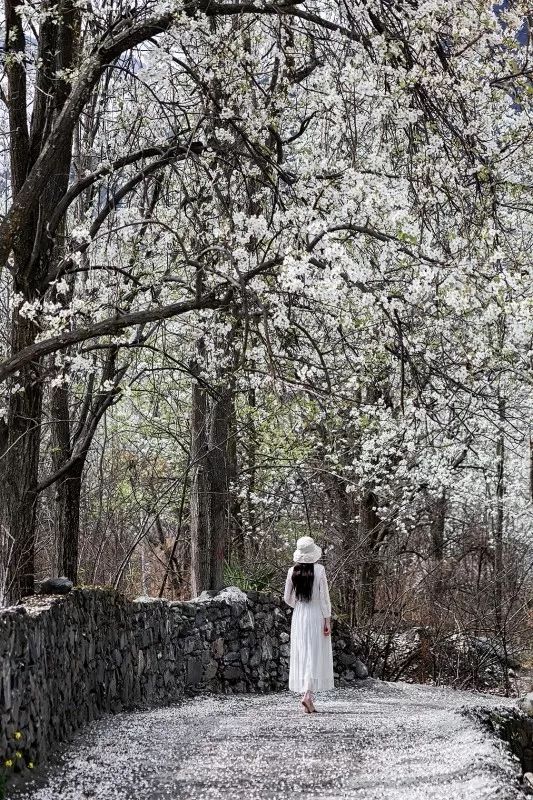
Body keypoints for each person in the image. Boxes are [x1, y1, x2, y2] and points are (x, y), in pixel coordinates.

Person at [283, 535, 334, 713]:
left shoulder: (292, 571)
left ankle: (307, 696)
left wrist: (299, 605)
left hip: (300, 614)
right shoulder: (320, 570)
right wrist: (327, 620)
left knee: (303, 653)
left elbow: (286, 598)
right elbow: (325, 598)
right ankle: (308, 695)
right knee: (314, 653)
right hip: (316, 614)